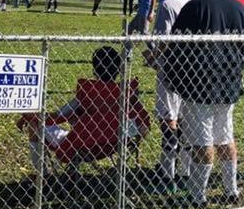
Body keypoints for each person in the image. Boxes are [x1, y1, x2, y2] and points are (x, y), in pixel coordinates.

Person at [162, 0, 244, 207]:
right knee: (225, 136)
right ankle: (230, 190)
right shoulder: (240, 9)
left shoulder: (194, 7)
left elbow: (176, 50)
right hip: (229, 85)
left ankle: (198, 196)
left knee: (202, 143)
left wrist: (175, 80)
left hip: (198, 85)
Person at [17, 46, 150, 171]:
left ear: (94, 69)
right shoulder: (126, 93)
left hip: (77, 147)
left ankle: (43, 175)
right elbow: (143, 126)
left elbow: (58, 116)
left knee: (35, 124)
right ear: (119, 69)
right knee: (80, 118)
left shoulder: (87, 93)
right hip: (113, 144)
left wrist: (30, 116)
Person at [143, 0, 193, 189]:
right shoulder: (191, 3)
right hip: (190, 72)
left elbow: (163, 40)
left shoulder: (167, 5)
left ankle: (166, 174)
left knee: (168, 120)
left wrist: (151, 57)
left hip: (169, 71)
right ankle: (183, 172)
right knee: (183, 121)